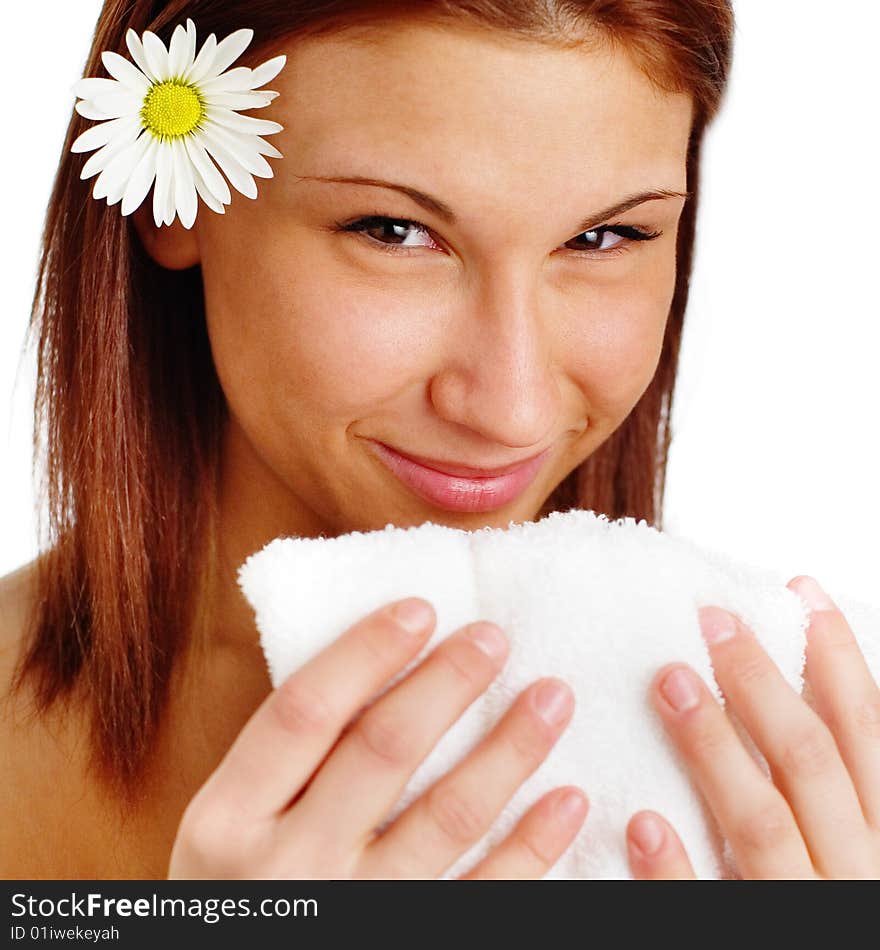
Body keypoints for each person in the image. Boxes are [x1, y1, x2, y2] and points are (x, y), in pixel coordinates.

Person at [2, 0, 877, 881]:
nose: (512, 410)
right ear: (171, 196)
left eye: (606, 237)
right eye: (393, 232)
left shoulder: (800, 792)